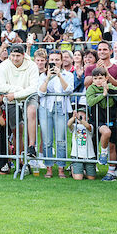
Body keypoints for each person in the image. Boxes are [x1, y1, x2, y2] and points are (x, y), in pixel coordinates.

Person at [0, 44, 40, 175]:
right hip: (12, 99)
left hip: (27, 96)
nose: (15, 58)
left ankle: (32, 147)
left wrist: (15, 94)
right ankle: (20, 162)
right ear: (9, 55)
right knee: (17, 130)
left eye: (18, 56)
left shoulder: (31, 65)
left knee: (31, 111)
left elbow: (33, 88)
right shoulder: (4, 65)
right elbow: (0, 86)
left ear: (23, 55)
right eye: (13, 55)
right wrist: (19, 90)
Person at [38, 50, 74, 178]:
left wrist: (59, 76)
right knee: (47, 140)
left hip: (61, 107)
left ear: (61, 61)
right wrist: (48, 77)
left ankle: (61, 168)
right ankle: (48, 167)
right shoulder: (43, 75)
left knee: (61, 140)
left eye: (57, 60)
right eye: (52, 60)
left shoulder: (68, 75)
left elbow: (69, 90)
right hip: (45, 107)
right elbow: (41, 93)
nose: (55, 62)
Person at [86, 67, 117, 182]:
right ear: (92, 80)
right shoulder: (91, 89)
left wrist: (109, 90)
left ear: (106, 78)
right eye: (96, 78)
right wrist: (103, 94)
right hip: (98, 119)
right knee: (106, 132)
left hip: (112, 118)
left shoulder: (109, 86)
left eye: (101, 78)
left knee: (112, 146)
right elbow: (91, 101)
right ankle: (103, 153)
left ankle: (111, 172)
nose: (98, 81)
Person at [68, 108, 96, 180]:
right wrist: (73, 117)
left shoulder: (90, 126)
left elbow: (88, 127)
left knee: (91, 178)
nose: (79, 117)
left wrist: (80, 119)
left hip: (89, 156)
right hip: (77, 155)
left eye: (82, 115)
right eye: (78, 115)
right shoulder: (74, 126)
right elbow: (69, 124)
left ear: (88, 118)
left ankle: (83, 171)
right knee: (78, 178)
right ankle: (73, 168)